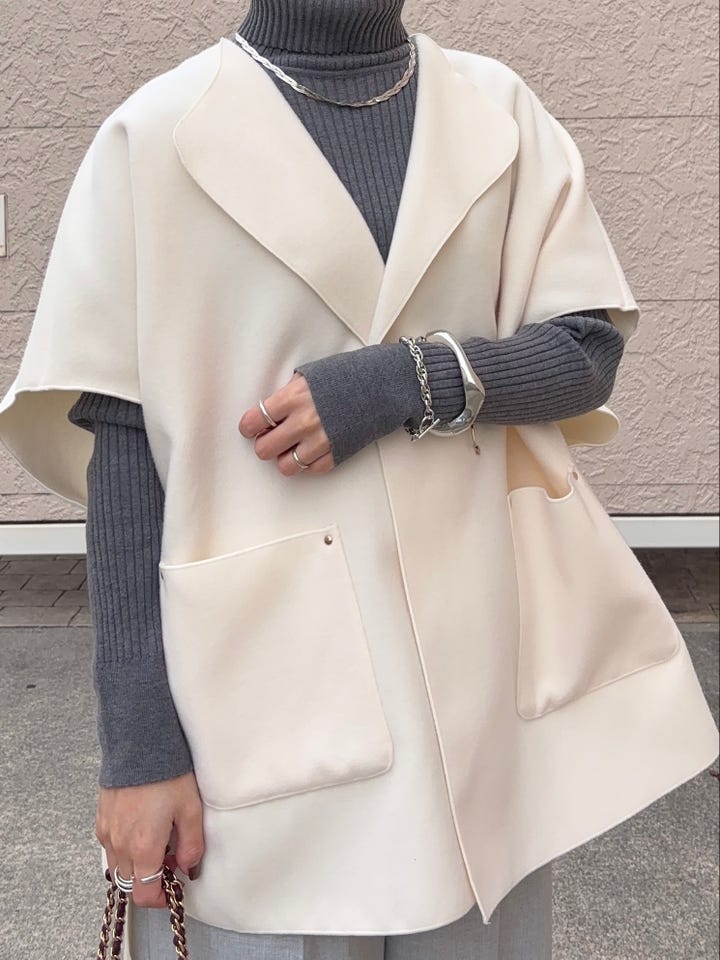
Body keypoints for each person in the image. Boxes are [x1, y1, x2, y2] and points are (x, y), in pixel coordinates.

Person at [2, 1, 717, 958]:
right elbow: (123, 447)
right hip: (255, 694)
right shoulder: (155, 133)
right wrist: (137, 748)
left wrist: (406, 381)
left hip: (481, 680)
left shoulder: (497, 108)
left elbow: (586, 349)